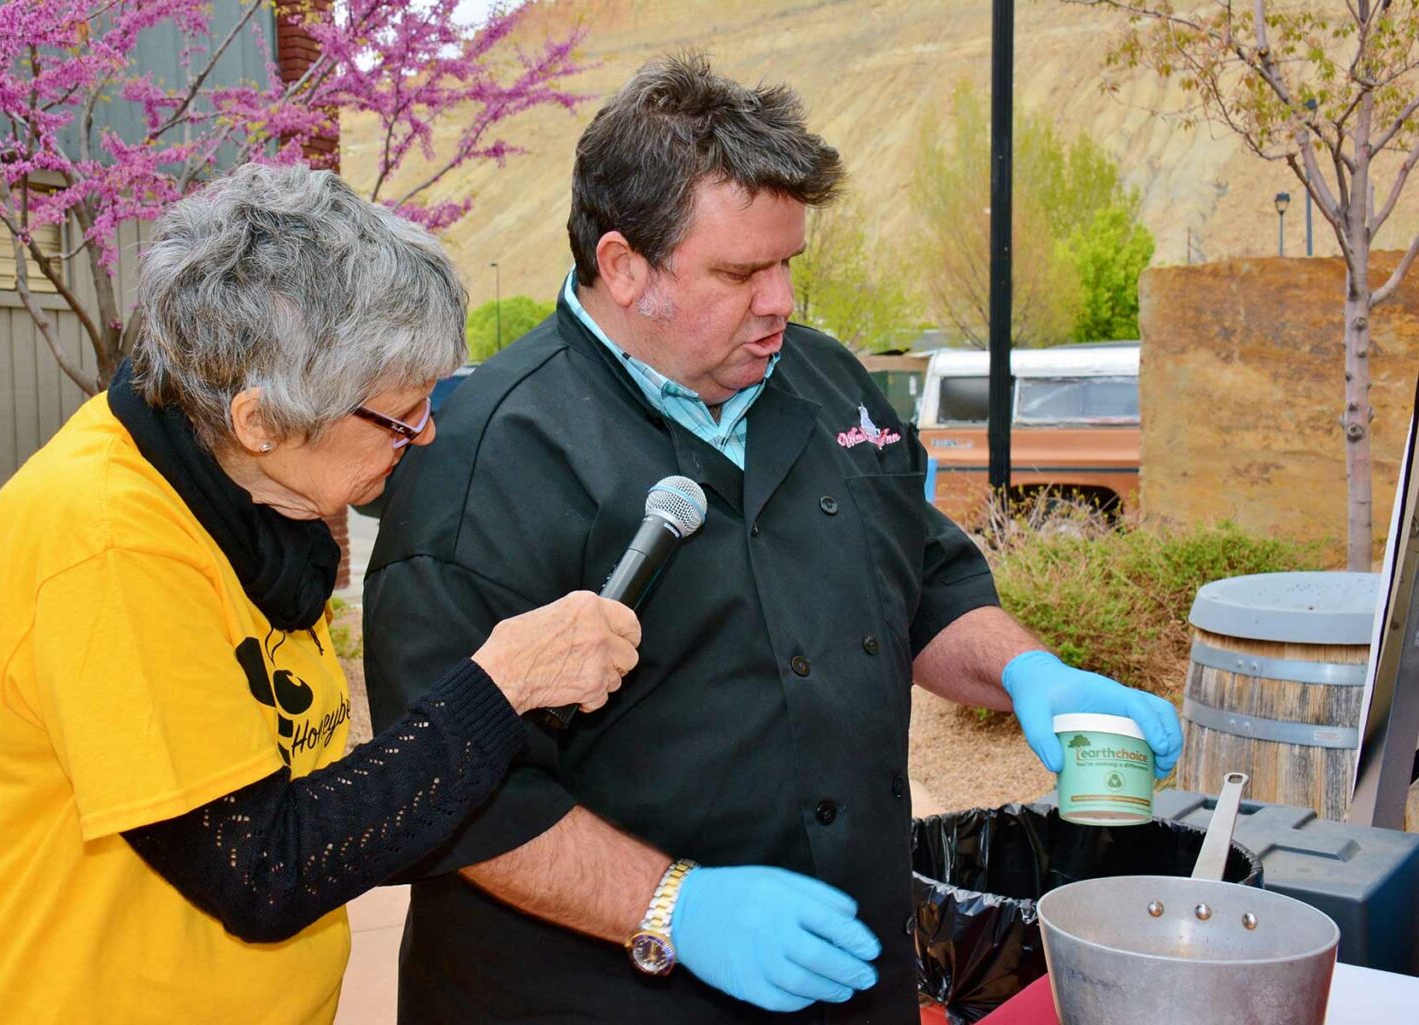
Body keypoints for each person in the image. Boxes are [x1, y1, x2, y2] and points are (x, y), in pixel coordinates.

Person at [363, 54, 1183, 1024]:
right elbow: (450, 796)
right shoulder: (482, 464)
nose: (781, 300)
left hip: (850, 977)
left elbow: (925, 586)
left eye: (788, 260)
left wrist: (1026, 673)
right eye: (742, 270)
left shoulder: (827, 381)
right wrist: (673, 901)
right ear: (623, 266)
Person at [0, 163, 641, 1025]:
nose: (428, 433)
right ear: (259, 420)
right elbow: (264, 864)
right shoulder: (103, 540)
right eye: (400, 415)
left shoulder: (252, 502)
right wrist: (502, 685)